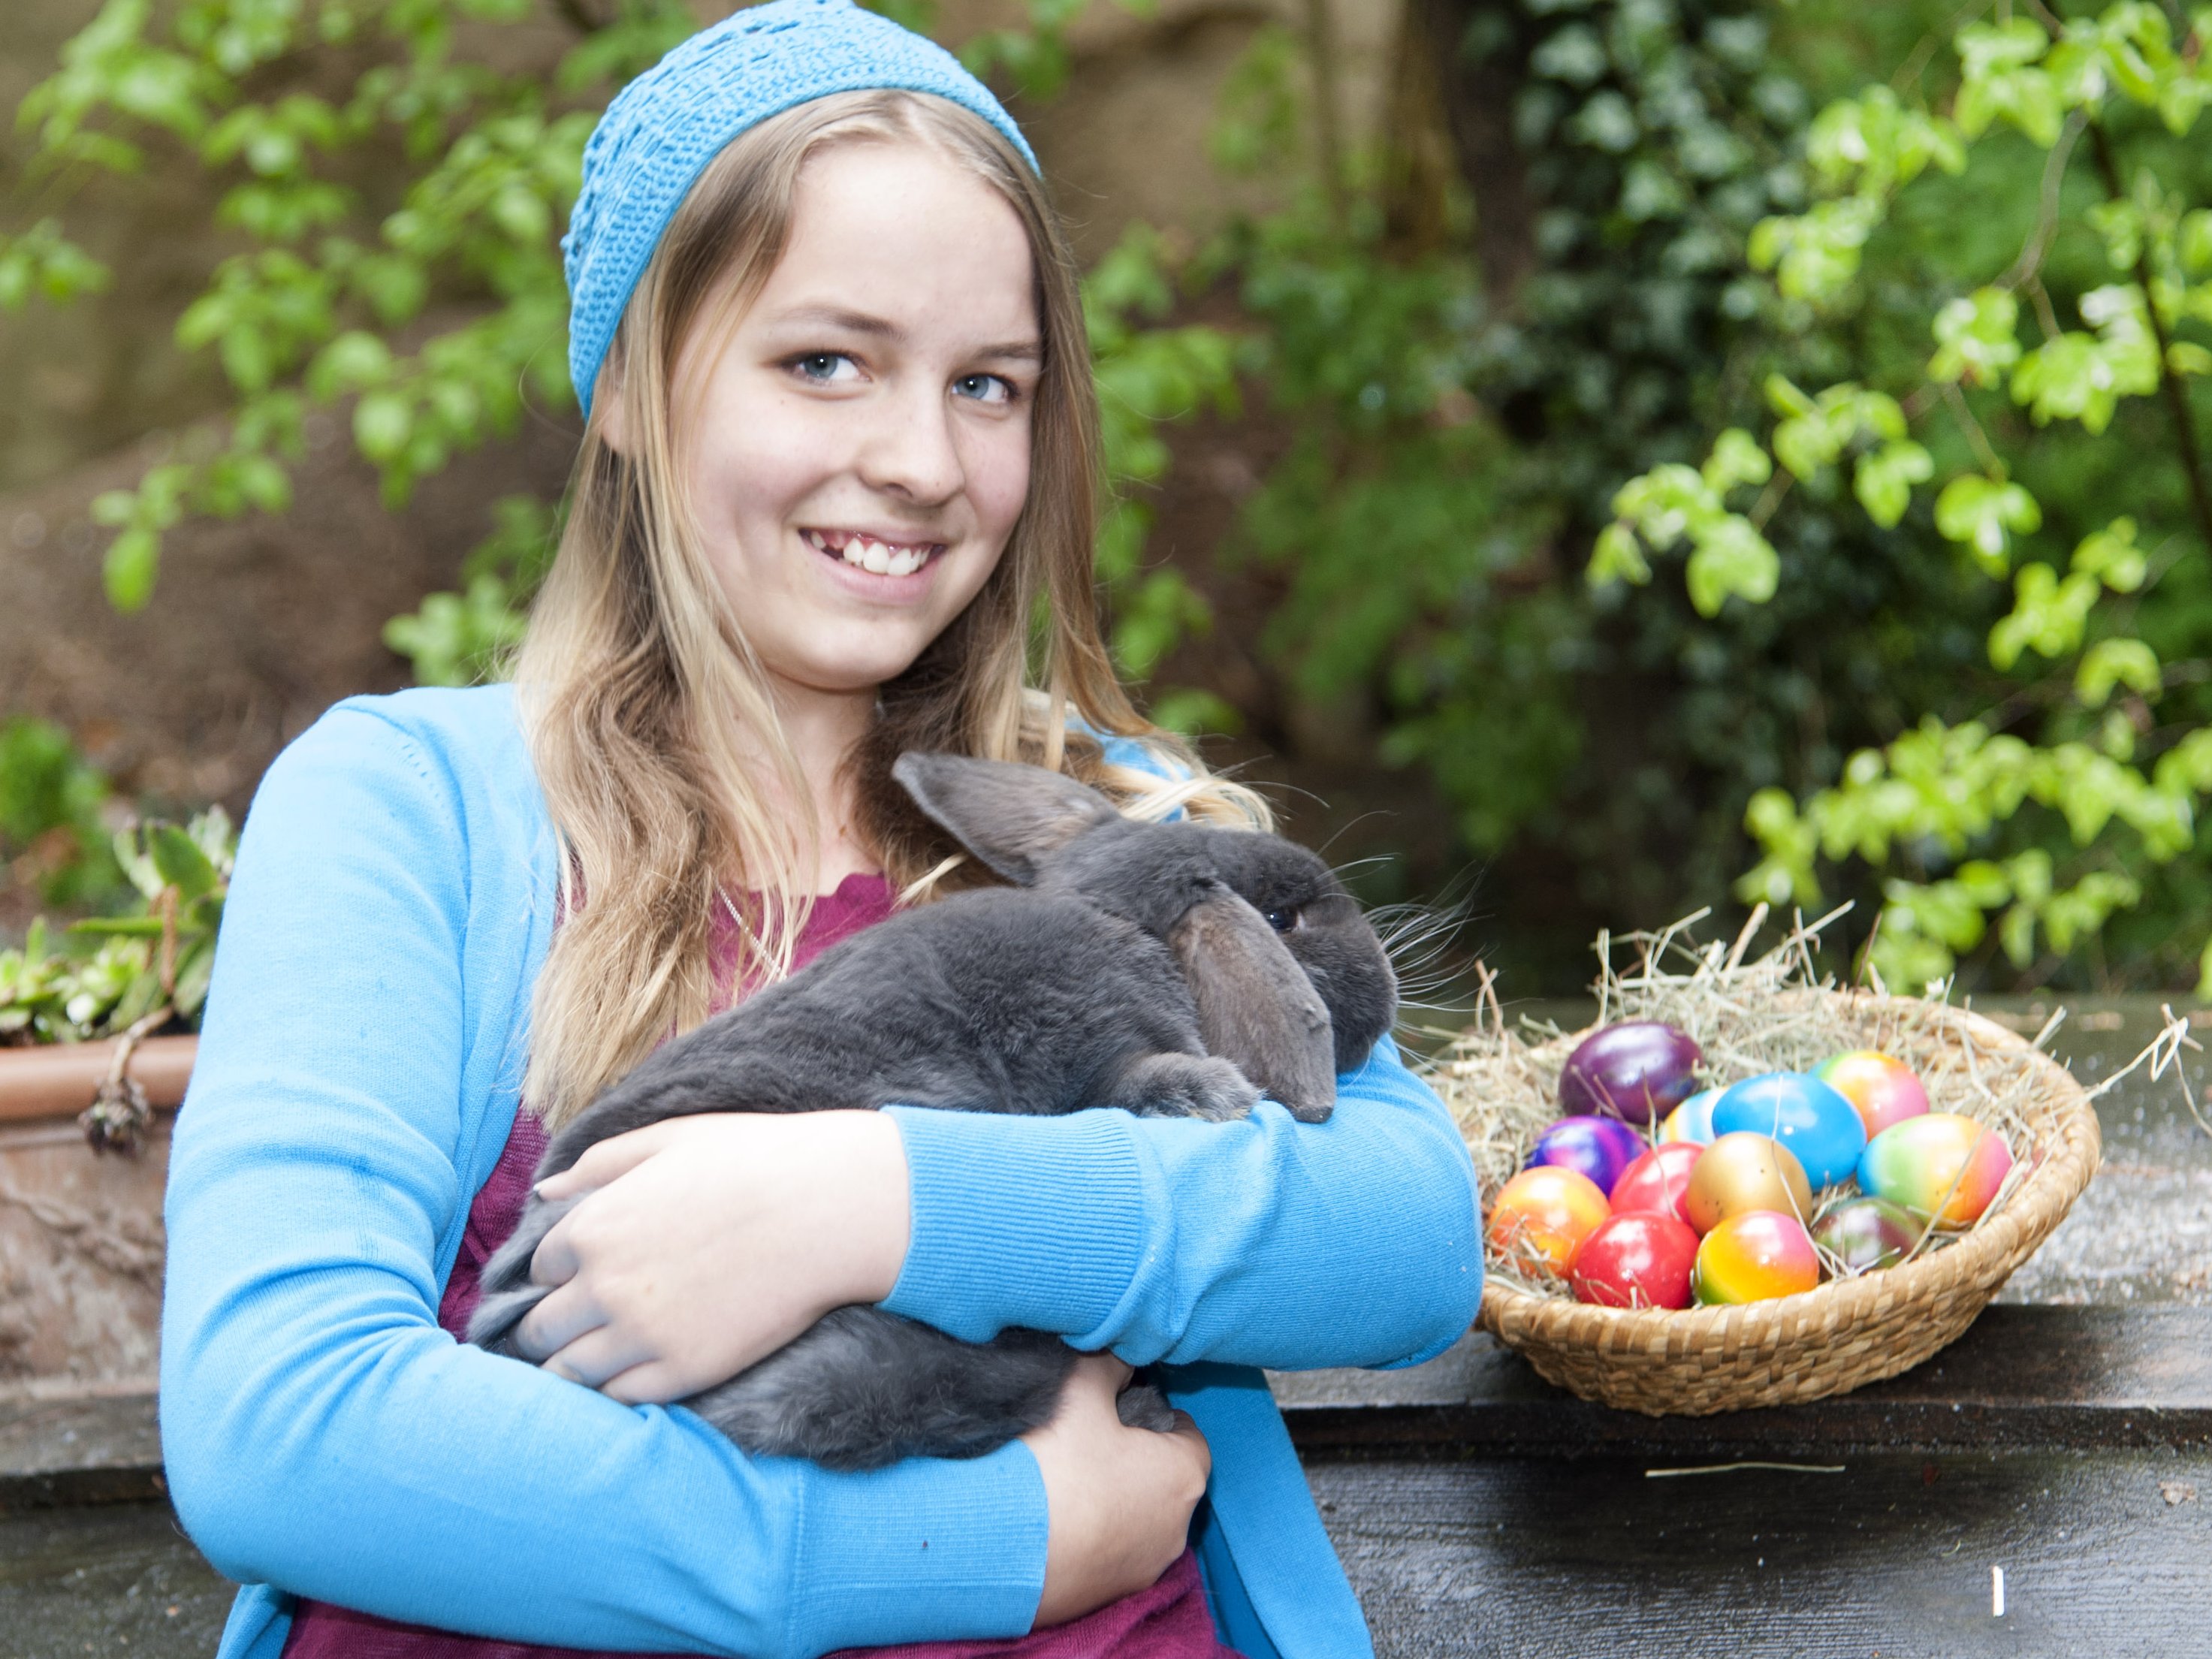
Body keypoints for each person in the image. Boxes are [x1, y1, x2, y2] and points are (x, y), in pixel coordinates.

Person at [157, 3, 1483, 1656]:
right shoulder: (410, 812)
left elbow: (1410, 1234)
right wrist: (969, 1540)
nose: (921, 461)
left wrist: (875, 1202)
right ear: (634, 383)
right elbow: (278, 1420)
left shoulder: (1103, 813)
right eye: (825, 362)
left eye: (986, 385)